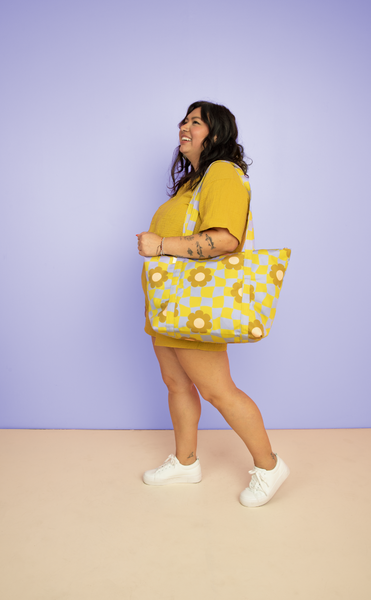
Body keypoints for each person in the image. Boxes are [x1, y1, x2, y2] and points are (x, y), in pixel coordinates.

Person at [137, 101, 289, 507]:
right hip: (168, 305)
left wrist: (161, 245)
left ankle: (269, 466)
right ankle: (186, 463)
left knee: (218, 391)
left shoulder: (222, 173)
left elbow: (225, 240)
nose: (184, 126)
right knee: (176, 384)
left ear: (216, 134)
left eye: (196, 122)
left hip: (193, 305)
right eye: (184, 120)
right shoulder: (192, 182)